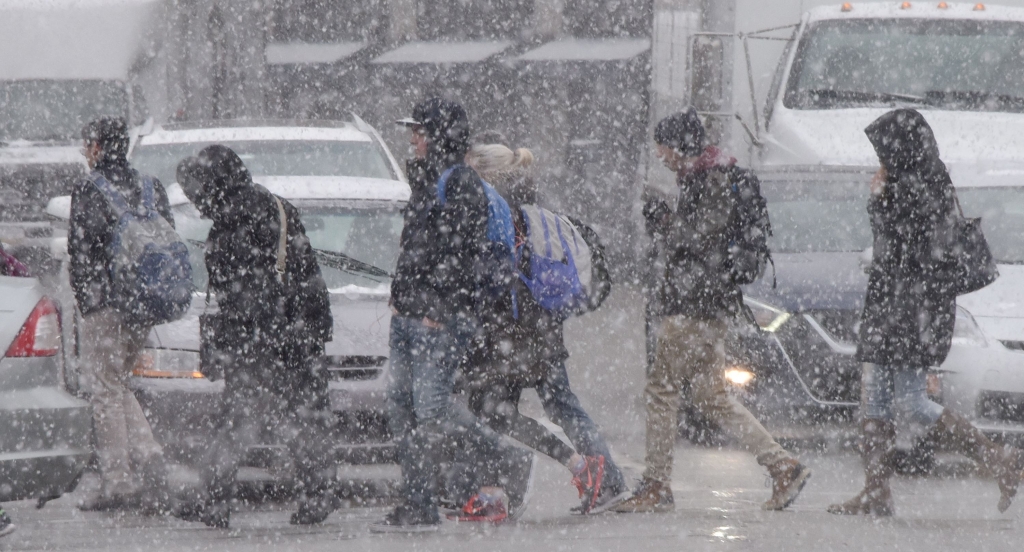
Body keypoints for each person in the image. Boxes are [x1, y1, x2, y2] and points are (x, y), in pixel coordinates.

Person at [828, 108, 1024, 516]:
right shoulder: (916, 182)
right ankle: (876, 492)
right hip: (893, 304)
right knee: (876, 403)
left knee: (914, 401)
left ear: (901, 148)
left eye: (883, 150)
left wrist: (880, 199)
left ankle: (997, 459)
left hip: (911, 307)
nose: (880, 159)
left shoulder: (924, 186)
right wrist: (881, 198)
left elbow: (908, 248)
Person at [614, 108, 810, 513]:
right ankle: (782, 465)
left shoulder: (713, 179)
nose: (661, 155)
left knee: (661, 391)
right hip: (706, 305)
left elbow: (699, 242)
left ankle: (655, 486)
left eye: (663, 146)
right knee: (711, 396)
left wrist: (663, 221)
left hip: (694, 306)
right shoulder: (704, 176)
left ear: (679, 145)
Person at [373, 98, 534, 533]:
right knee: (402, 410)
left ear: (438, 136)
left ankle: (511, 458)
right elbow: (415, 247)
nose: (412, 139)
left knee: (434, 409)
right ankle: (418, 504)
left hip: (439, 317)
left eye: (419, 131)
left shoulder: (458, 180)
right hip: (410, 314)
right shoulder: (427, 178)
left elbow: (462, 253)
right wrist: (400, 296)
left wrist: (438, 308)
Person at [455, 141, 630, 515]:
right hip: (540, 329)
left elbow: (498, 275)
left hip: (513, 332)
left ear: (485, 171)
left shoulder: (496, 208)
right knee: (552, 407)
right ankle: (599, 477)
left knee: (496, 410)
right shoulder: (534, 210)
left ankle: (581, 477)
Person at [173, 145, 337, 528]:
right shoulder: (277, 206)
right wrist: (310, 330)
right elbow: (306, 274)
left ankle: (214, 502)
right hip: (297, 336)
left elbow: (248, 299)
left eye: (200, 194)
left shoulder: (234, 221)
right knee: (303, 419)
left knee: (235, 423)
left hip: (264, 342)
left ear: (216, 184)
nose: (199, 206)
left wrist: (238, 347)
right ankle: (320, 492)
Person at [68, 116, 174, 512]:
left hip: (106, 304)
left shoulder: (89, 188)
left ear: (97, 146)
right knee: (118, 381)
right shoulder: (151, 186)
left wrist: (88, 300)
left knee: (105, 389)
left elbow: (81, 251)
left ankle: (119, 482)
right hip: (144, 303)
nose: (84, 151)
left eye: (86, 144)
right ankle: (151, 457)